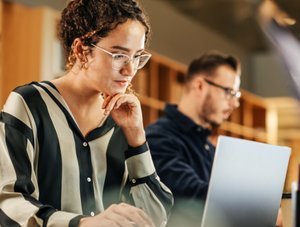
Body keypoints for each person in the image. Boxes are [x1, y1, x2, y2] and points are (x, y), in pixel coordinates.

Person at [0, 0, 173, 226]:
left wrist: (137, 137)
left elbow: (156, 218)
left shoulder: (122, 121)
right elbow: (9, 204)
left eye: (137, 57)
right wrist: (81, 224)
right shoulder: (29, 103)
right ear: (82, 49)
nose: (130, 70)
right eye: (119, 55)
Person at [146, 51, 241, 226]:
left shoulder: (209, 147)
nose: (234, 104)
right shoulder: (157, 138)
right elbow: (191, 196)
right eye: (229, 92)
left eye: (236, 95)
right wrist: (255, 205)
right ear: (200, 86)